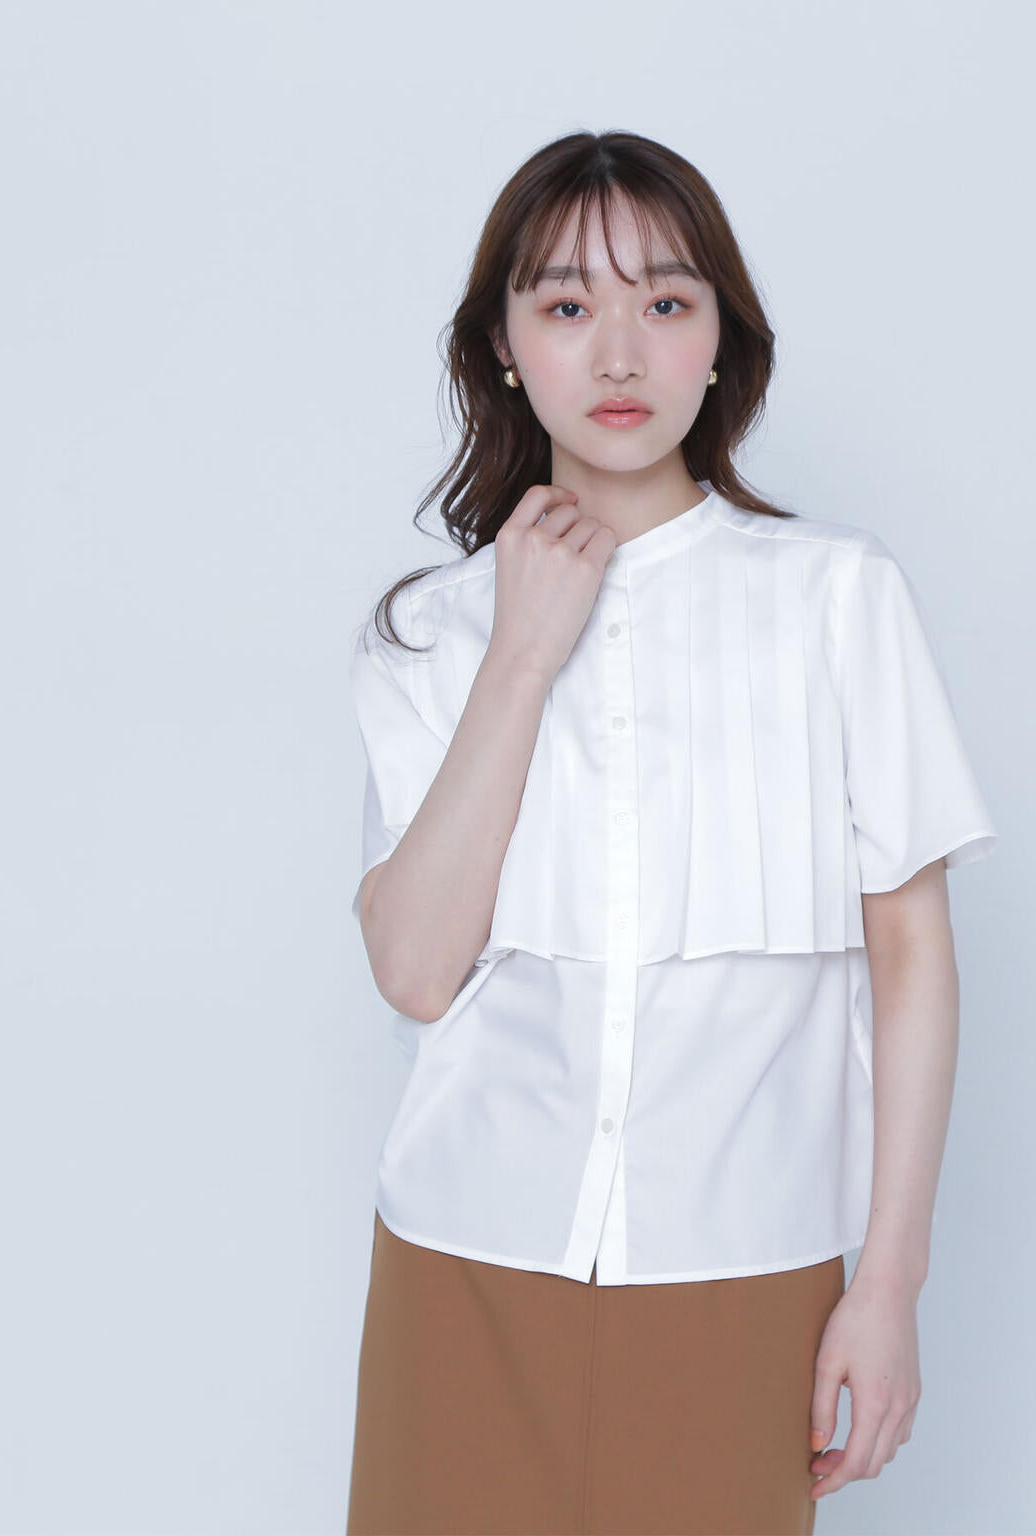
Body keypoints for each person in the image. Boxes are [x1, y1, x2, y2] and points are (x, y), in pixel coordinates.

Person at [342, 129, 1000, 1536]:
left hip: (746, 1276)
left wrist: (888, 1288)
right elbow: (413, 969)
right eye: (567, 305)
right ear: (505, 347)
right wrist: (525, 650)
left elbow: (912, 961)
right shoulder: (433, 634)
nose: (620, 353)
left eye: (665, 300)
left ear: (720, 342)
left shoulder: (837, 600)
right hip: (465, 1262)